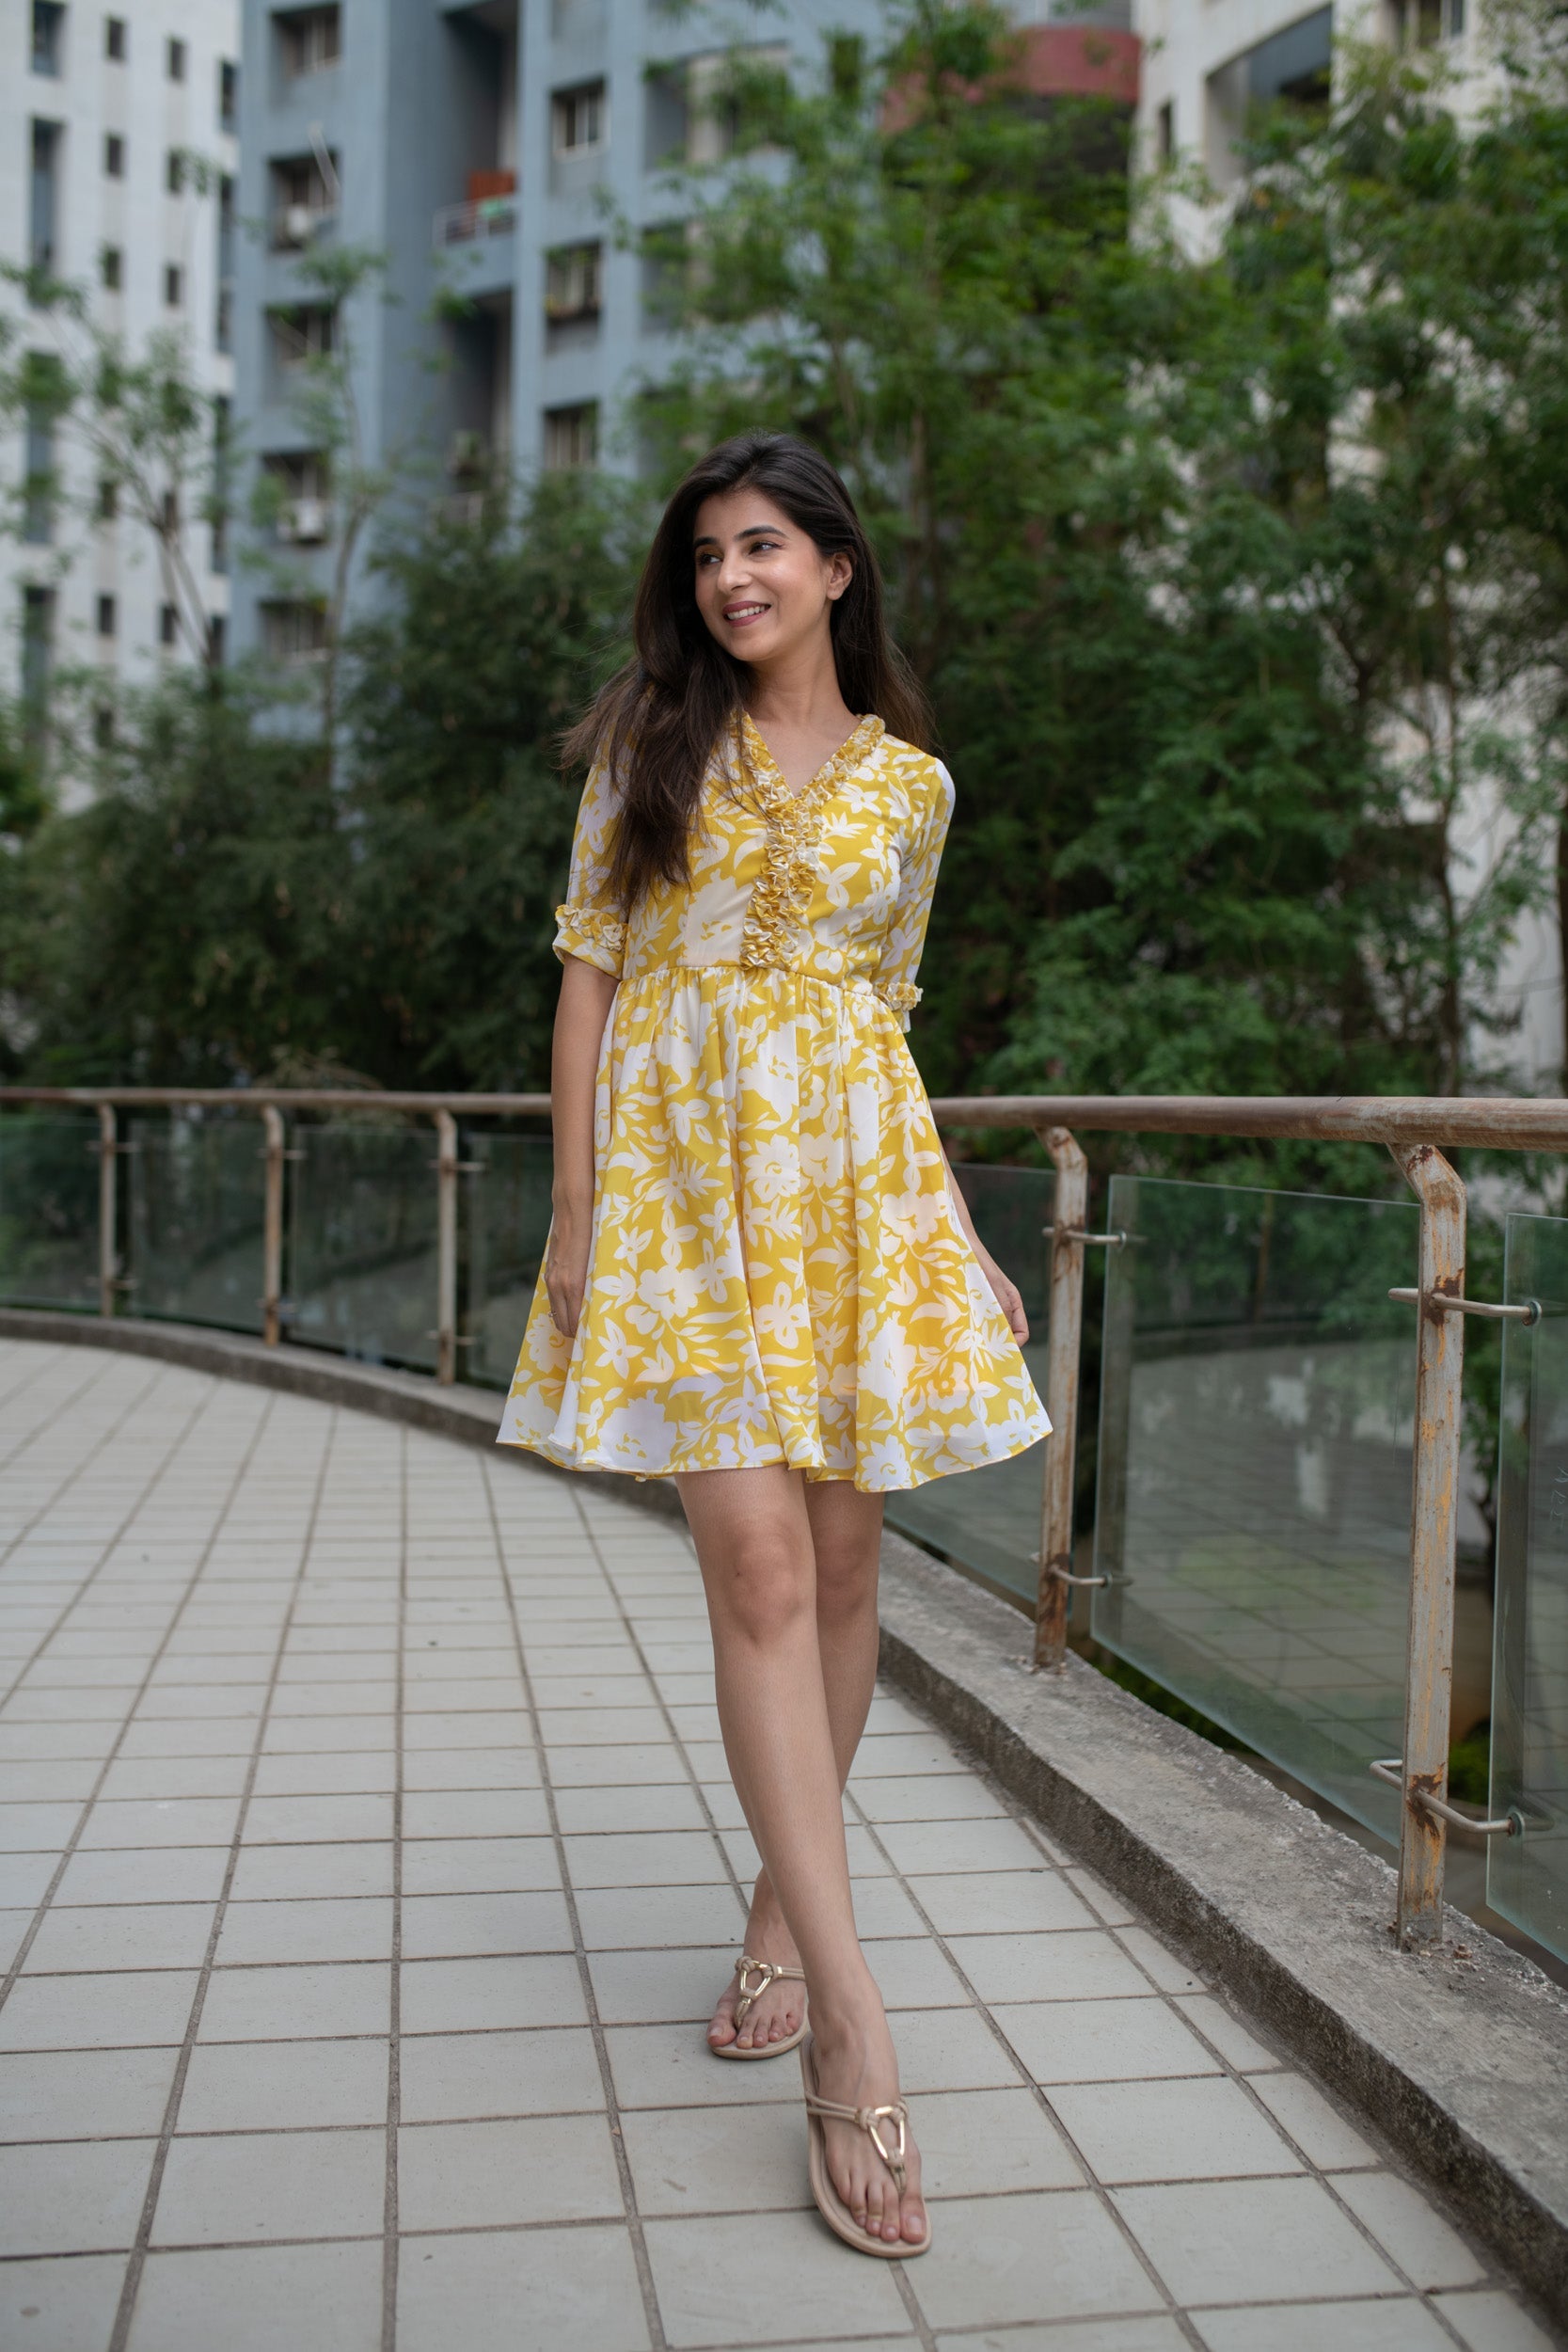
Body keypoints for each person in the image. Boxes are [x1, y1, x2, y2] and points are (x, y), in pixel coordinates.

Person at [499, 431, 1048, 2258]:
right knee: (749, 1567)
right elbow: (588, 976)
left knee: (839, 1558)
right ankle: (857, 2024)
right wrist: (576, 1212)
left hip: (846, 1200)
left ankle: (773, 1917)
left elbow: (883, 1026)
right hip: (672, 1193)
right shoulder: (651, 746)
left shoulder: (918, 789)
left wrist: (955, 1226)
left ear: (833, 565)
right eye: (710, 552)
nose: (733, 576)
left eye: (765, 545)